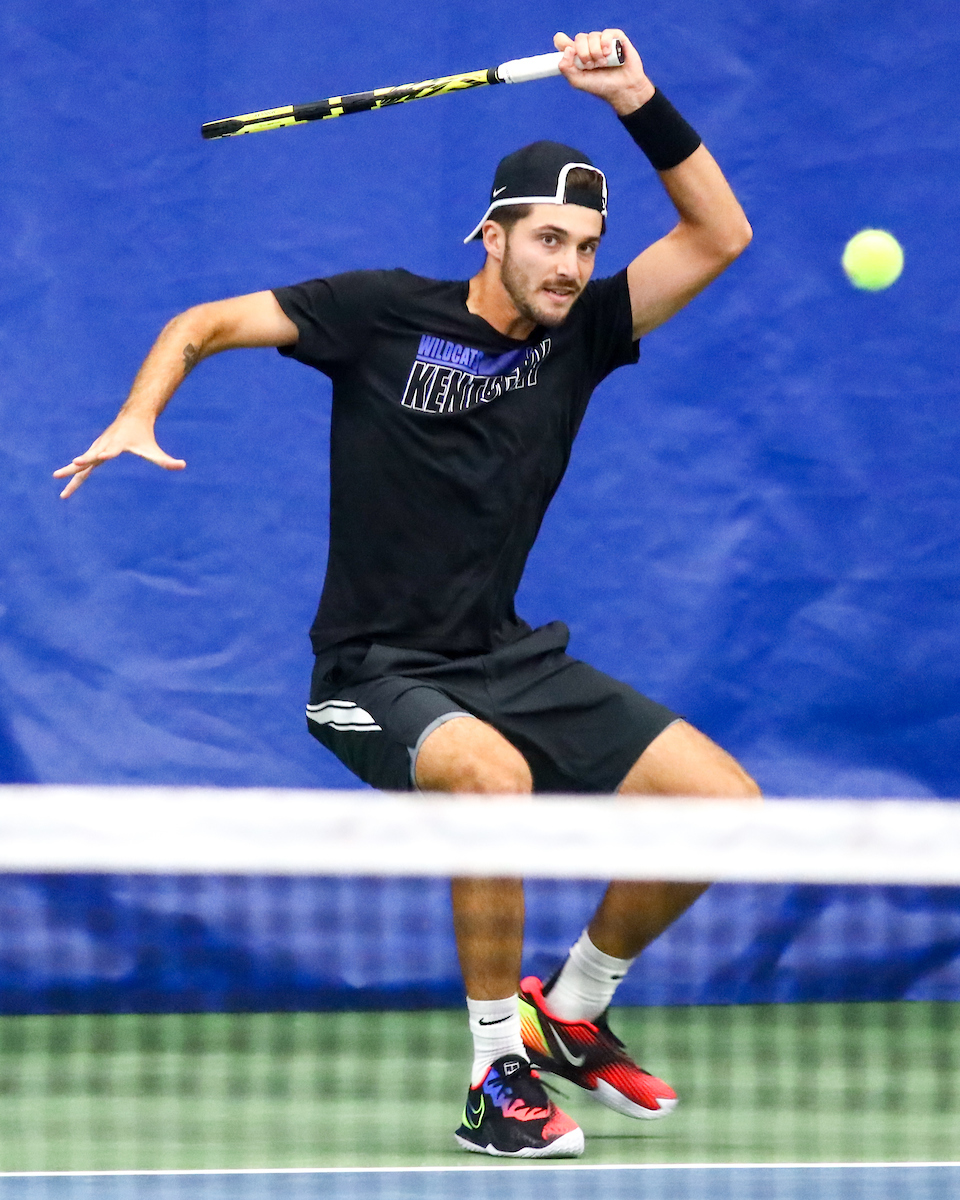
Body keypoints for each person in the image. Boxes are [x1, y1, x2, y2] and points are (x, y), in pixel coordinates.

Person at [56, 29, 759, 1159]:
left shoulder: (583, 335)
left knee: (723, 805)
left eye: (587, 246)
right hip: (372, 672)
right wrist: (140, 413)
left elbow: (721, 234)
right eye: (549, 239)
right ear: (493, 234)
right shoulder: (380, 312)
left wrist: (636, 97)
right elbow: (205, 323)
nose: (570, 265)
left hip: (506, 657)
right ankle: (494, 1075)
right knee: (491, 779)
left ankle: (571, 1011)